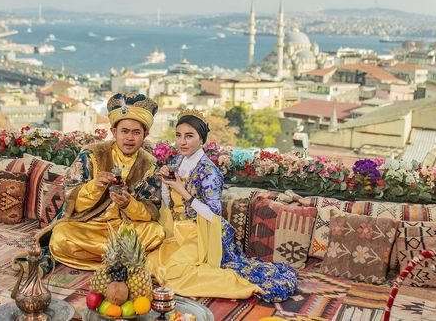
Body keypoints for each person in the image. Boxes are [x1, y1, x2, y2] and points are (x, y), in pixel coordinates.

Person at [147, 109, 297, 303]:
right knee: (151, 263)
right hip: (180, 230)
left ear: (201, 139)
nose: (182, 142)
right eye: (178, 136)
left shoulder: (209, 171)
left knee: (174, 273)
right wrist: (165, 182)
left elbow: (212, 215)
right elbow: (170, 204)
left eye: (189, 136)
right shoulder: (178, 160)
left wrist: (183, 190)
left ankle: (238, 283)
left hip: (204, 232)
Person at [36, 93, 165, 270]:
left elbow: (151, 212)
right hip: (89, 226)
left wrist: (129, 204)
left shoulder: (150, 165)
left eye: (136, 133)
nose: (129, 138)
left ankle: (111, 258)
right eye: (124, 131)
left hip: (125, 229)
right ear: (114, 132)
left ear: (145, 134)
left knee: (157, 232)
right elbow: (71, 201)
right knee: (60, 236)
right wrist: (94, 187)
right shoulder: (91, 154)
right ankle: (122, 260)